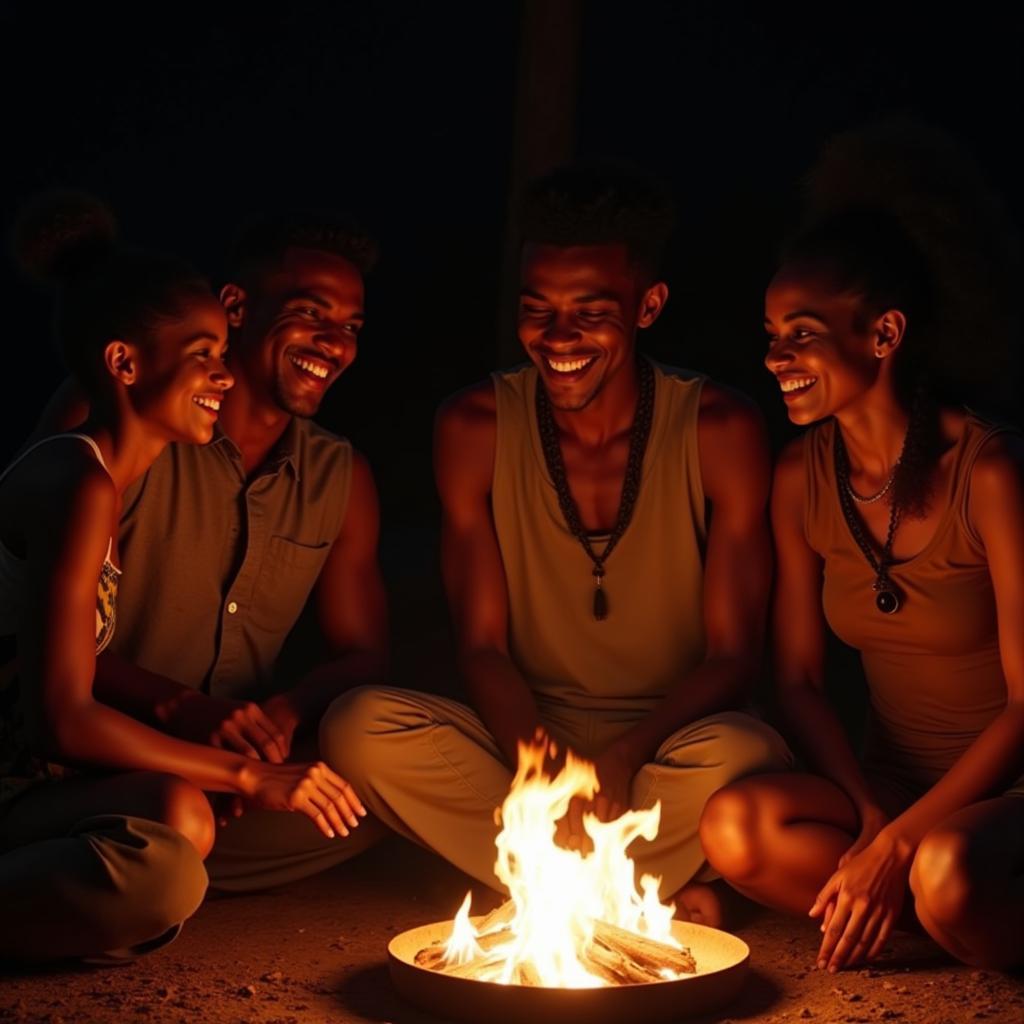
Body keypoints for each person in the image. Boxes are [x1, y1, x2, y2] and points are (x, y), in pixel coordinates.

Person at [322, 164, 792, 923]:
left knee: (743, 754)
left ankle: (540, 884)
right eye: (538, 308)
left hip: (668, 746)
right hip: (525, 737)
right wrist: (543, 768)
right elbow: (482, 646)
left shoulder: (719, 430)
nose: (559, 337)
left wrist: (623, 756)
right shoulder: (475, 427)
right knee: (359, 726)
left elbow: (732, 657)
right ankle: (638, 891)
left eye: (590, 311)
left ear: (648, 307)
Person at [0, 195, 362, 962]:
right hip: (20, 775)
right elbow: (60, 718)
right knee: (166, 870)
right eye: (204, 355)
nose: (224, 376)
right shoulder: (78, 478)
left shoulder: (107, 474)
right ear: (124, 363)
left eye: (222, 353)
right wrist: (249, 775)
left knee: (184, 820)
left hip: (39, 784)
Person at [699, 124, 1024, 971]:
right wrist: (870, 815)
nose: (776, 358)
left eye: (800, 333)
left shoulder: (986, 473)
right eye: (770, 334)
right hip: (891, 792)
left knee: (946, 870)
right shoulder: (798, 473)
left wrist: (904, 844)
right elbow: (800, 679)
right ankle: (944, 921)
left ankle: (946, 905)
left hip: (1004, 797)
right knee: (736, 827)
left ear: (883, 334)